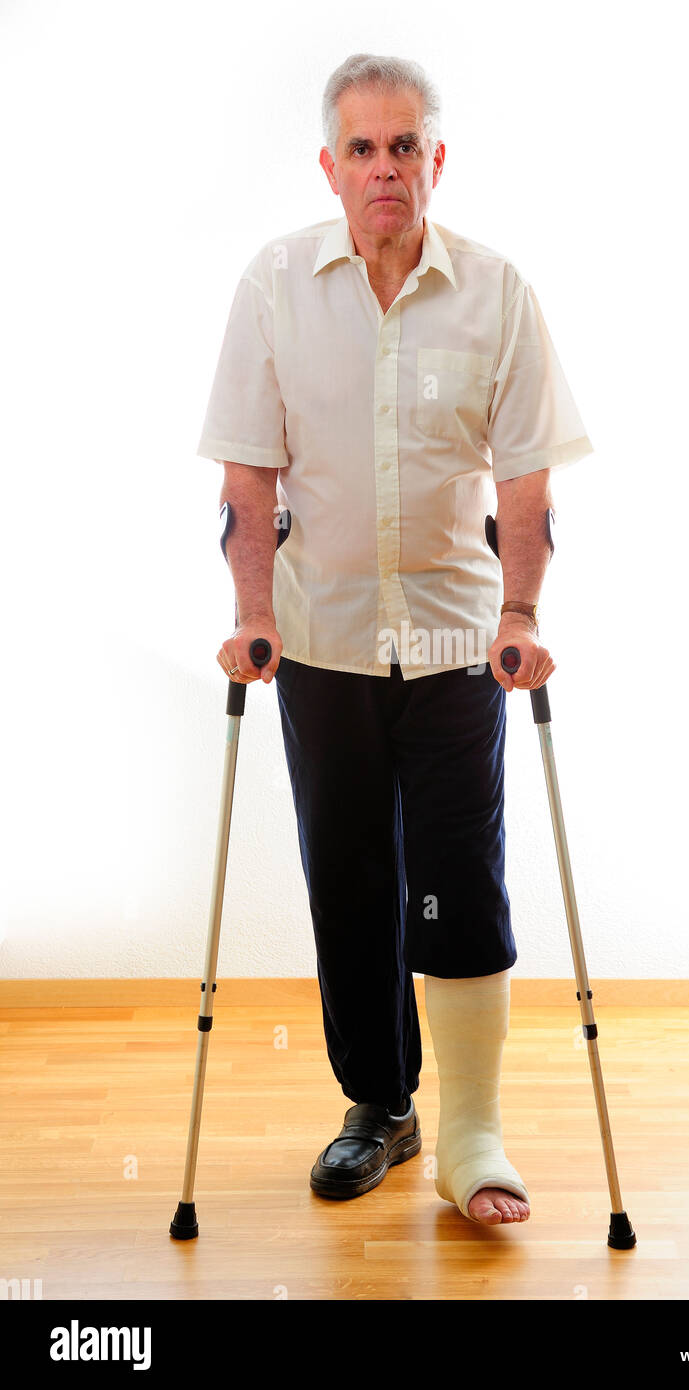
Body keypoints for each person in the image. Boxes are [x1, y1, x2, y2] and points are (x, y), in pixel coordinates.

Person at [196, 53, 594, 1225]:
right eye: (362, 148)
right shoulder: (274, 285)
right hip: (318, 639)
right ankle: (381, 1103)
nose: (384, 168)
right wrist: (251, 614)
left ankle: (472, 1129)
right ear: (331, 165)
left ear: (435, 161)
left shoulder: (496, 290)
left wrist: (520, 615)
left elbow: (524, 480)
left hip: (460, 640)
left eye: (404, 145)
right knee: (353, 877)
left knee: (460, 874)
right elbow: (245, 475)